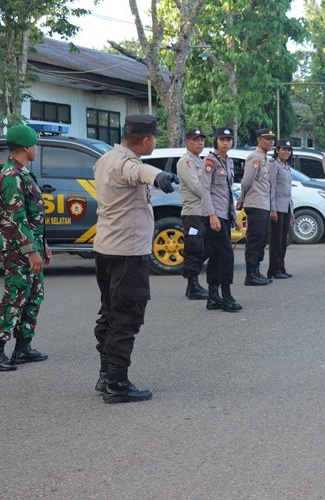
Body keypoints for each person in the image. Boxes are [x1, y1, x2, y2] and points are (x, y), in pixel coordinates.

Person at [92, 114, 178, 404]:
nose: (155, 142)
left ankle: (106, 375)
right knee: (126, 316)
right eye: (154, 138)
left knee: (111, 312)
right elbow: (137, 172)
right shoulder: (126, 163)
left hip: (106, 250)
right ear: (145, 140)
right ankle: (117, 382)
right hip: (127, 253)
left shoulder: (105, 159)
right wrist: (159, 177)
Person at [0, 124, 51, 371]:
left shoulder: (22, 173)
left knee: (34, 295)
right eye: (34, 145)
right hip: (18, 248)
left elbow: (34, 217)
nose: (36, 149)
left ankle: (23, 347)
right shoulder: (11, 177)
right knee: (15, 296)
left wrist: (43, 246)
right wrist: (30, 251)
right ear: (24, 148)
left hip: (31, 245)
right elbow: (16, 218)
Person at [202, 126, 243, 312]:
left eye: (228, 140)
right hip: (215, 215)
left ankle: (213, 296)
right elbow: (205, 190)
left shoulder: (228, 161)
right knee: (226, 255)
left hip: (225, 215)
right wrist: (211, 215)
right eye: (222, 140)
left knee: (217, 256)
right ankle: (226, 295)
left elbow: (227, 192)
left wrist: (234, 216)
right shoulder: (210, 161)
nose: (225, 143)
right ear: (216, 141)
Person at [237, 128, 275, 286]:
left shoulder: (263, 158)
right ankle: (250, 274)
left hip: (263, 204)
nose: (271, 142)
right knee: (254, 239)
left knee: (262, 237)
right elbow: (246, 181)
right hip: (255, 203)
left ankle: (256, 270)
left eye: (272, 139)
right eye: (267, 139)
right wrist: (242, 197)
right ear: (259, 139)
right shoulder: (255, 157)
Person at [177, 127, 210, 300]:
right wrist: (213, 200)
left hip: (203, 212)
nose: (200, 142)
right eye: (196, 139)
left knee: (206, 247)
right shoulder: (186, 162)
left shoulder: (200, 160)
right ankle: (192, 285)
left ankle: (193, 279)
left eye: (201, 139)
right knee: (194, 248)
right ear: (187, 142)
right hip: (193, 213)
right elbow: (196, 187)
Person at [267, 138, 295, 279]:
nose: (286, 152)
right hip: (277, 207)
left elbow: (288, 191)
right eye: (283, 149)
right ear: (277, 150)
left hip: (286, 207)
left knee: (283, 240)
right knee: (276, 240)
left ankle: (281, 266)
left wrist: (292, 210)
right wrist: (272, 208)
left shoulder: (286, 166)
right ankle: (274, 269)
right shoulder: (273, 165)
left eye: (289, 150)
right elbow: (271, 187)